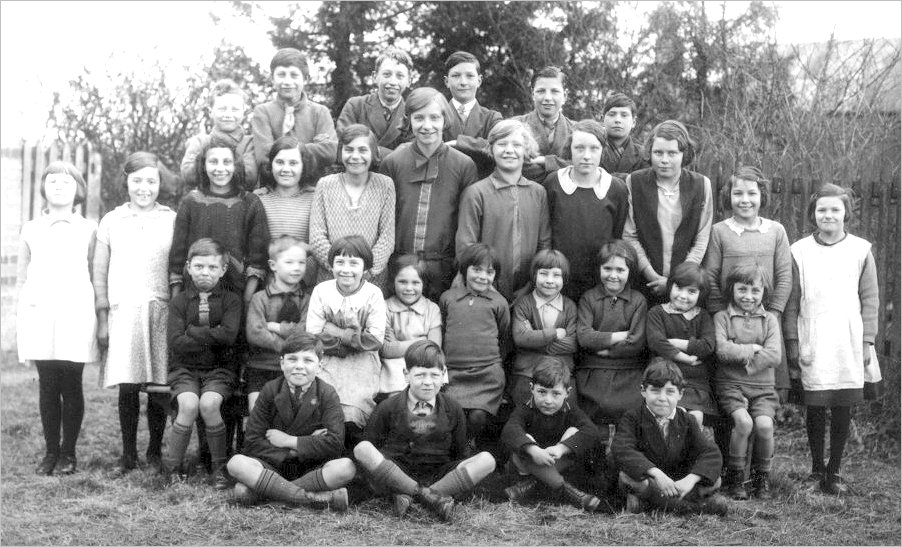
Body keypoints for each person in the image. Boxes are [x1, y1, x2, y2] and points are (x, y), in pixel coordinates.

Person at [783, 183, 879, 495]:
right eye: (822, 209)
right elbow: (793, 301)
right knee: (815, 405)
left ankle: (834, 470)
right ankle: (815, 469)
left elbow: (870, 299)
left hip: (847, 338)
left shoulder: (861, 250)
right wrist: (794, 343)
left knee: (841, 405)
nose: (828, 215)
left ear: (846, 214)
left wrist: (867, 342)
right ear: (813, 213)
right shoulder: (799, 251)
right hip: (814, 335)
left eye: (835, 209)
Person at [92, 152, 175, 475]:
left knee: (158, 386)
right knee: (128, 385)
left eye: (151, 181)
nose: (144, 188)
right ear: (126, 182)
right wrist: (102, 315)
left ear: (160, 183)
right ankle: (128, 454)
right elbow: (100, 272)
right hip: (123, 310)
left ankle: (154, 450)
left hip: (159, 309)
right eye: (137, 180)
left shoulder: (171, 218)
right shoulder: (112, 221)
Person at [353, 340, 497, 522]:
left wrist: (453, 476)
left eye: (434, 375)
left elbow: (459, 452)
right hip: (397, 472)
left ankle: (414, 495)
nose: (428, 382)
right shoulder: (388, 406)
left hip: (439, 475)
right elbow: (371, 444)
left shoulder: (453, 408)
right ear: (406, 374)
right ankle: (428, 497)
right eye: (420, 375)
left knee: (487, 460)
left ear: (444, 374)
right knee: (362, 448)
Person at [18, 161, 99, 476]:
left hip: (75, 311)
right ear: (43, 188)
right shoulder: (30, 228)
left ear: (78, 189)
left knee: (71, 382)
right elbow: (23, 276)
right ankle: (50, 452)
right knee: (47, 385)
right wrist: (26, 312)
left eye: (67, 181)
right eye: (52, 181)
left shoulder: (89, 229)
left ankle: (69, 453)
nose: (59, 186)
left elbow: (95, 271)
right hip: (41, 311)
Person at [226, 331, 356, 511]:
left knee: (346, 467)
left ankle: (268, 493)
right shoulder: (270, 390)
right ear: (282, 363)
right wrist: (295, 451)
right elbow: (252, 442)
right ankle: (312, 499)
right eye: (292, 359)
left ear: (319, 365)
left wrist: (289, 441)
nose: (299, 366)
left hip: (312, 470)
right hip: (272, 467)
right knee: (237, 463)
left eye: (308, 360)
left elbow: (334, 443)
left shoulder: (327, 393)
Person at [380, 87, 479, 302]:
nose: (427, 126)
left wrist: (462, 270)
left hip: (444, 269)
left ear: (445, 119)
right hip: (400, 267)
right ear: (409, 121)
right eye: (419, 118)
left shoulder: (463, 165)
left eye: (435, 118)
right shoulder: (393, 162)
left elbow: (467, 224)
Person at [704, 166, 792, 398]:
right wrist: (718, 314)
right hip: (729, 318)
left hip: (764, 318)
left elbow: (784, 277)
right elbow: (711, 275)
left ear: (762, 195)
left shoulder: (776, 231)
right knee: (729, 385)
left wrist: (773, 313)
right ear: (728, 196)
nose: (745, 200)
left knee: (764, 390)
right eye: (738, 194)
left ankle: (761, 431)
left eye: (752, 193)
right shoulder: (719, 232)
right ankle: (729, 433)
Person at [162, 238, 242, 489]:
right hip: (185, 369)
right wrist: (212, 335)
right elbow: (176, 341)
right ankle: (172, 469)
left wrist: (193, 332)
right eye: (198, 266)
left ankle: (219, 468)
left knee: (209, 403)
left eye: (211, 267)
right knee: (188, 404)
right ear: (187, 267)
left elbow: (229, 336)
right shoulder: (179, 302)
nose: (205, 272)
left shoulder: (231, 301)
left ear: (223, 270)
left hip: (219, 369)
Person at [611, 360, 728, 516]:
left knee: (715, 480)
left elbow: (710, 452)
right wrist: (656, 474)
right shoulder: (632, 417)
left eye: (670, 392)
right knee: (628, 477)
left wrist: (690, 480)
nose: (662, 398)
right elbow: (622, 449)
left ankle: (651, 505)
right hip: (652, 481)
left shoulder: (687, 420)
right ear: (643, 391)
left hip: (678, 483)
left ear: (680, 394)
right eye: (655, 391)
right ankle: (692, 507)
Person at [456, 119, 551, 301]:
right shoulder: (476, 193)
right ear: (491, 149)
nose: (509, 150)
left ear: (527, 150)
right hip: (484, 290)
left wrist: (531, 285)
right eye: (502, 144)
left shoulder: (538, 193)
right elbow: (465, 247)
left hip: (527, 292)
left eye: (517, 145)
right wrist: (485, 284)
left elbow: (544, 244)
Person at [306, 236, 386, 447]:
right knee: (324, 407)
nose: (346, 269)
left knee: (353, 412)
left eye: (354, 263)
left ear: (366, 268)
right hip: (328, 361)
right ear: (331, 266)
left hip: (362, 364)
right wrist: (351, 338)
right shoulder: (322, 291)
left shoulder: (373, 294)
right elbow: (313, 335)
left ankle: (352, 461)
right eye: (340, 262)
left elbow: (375, 339)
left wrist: (337, 332)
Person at [168, 138, 269, 306]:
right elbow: (177, 257)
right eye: (213, 161)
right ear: (203, 165)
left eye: (227, 162)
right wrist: (176, 301)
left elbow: (257, 258)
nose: (220, 168)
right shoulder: (190, 202)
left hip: (237, 296)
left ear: (235, 165)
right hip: (193, 297)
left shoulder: (250, 202)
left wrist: (246, 301)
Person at [622, 120, 713, 305]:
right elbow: (630, 236)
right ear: (650, 152)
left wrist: (675, 281)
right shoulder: (635, 182)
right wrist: (650, 274)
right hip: (645, 283)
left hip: (686, 288)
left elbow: (701, 238)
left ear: (684, 154)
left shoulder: (701, 185)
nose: (664, 160)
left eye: (672, 153)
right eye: (658, 153)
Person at [713, 264, 782, 500]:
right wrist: (752, 348)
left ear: (764, 291)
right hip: (730, 384)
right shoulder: (722, 317)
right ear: (731, 289)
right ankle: (736, 478)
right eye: (742, 289)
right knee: (743, 423)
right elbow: (722, 350)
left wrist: (741, 358)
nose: (748, 296)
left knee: (764, 425)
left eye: (755, 290)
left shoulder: (770, 320)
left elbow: (774, 355)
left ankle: (761, 478)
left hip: (763, 388)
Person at [543, 119, 629, 301]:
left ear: (603, 150)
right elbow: (545, 231)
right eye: (579, 148)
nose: (586, 156)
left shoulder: (616, 188)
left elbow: (618, 237)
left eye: (594, 148)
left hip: (600, 283)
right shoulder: (554, 182)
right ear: (570, 149)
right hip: (559, 280)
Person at [501, 358, 602, 511]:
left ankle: (532, 485)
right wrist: (533, 450)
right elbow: (510, 430)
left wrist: (560, 449)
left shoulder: (570, 410)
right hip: (528, 466)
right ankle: (568, 491)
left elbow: (591, 431)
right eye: (542, 392)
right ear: (532, 388)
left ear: (567, 393)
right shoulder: (525, 408)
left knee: (574, 433)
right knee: (525, 439)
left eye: (555, 394)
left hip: (557, 463)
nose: (548, 400)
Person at [440, 244, 511, 452]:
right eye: (476, 270)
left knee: (478, 416)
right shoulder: (448, 298)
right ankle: (455, 448)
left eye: (489, 272)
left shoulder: (499, 303)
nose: (482, 277)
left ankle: (468, 444)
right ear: (464, 270)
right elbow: (444, 330)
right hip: (454, 372)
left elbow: (504, 337)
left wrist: (492, 364)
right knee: (455, 413)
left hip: (487, 374)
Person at [575, 240, 648, 440]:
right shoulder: (589, 298)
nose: (613, 275)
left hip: (628, 372)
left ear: (630, 271)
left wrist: (606, 349)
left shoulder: (638, 300)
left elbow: (636, 343)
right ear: (599, 269)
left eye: (620, 270)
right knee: (596, 406)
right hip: (594, 370)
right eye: (607, 268)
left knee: (629, 408)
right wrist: (620, 336)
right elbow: (584, 337)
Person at [309, 124, 395, 289]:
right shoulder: (325, 185)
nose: (355, 156)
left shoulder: (385, 185)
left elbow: (387, 238)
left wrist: (365, 271)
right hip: (331, 279)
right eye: (349, 150)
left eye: (363, 150)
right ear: (341, 152)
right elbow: (317, 237)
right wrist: (340, 269)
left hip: (371, 281)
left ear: (373, 153)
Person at [645, 262, 716, 428]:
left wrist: (676, 342)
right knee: (676, 415)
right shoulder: (657, 313)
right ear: (670, 287)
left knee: (696, 417)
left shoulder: (703, 316)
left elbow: (707, 346)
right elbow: (657, 342)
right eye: (679, 288)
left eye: (691, 291)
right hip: (665, 378)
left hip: (695, 383)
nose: (683, 296)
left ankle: (690, 453)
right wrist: (687, 358)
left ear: (700, 294)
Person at [245, 235, 311, 415]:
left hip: (294, 368)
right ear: (273, 265)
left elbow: (306, 331)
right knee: (258, 412)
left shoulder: (306, 300)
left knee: (290, 414)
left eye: (301, 263)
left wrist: (276, 327)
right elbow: (255, 332)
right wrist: (287, 346)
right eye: (289, 262)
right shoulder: (260, 298)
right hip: (262, 366)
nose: (297, 268)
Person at [509, 250, 578, 407]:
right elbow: (521, 338)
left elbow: (572, 343)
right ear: (534, 276)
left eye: (556, 275)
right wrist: (555, 333)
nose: (549, 280)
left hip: (562, 371)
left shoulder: (569, 306)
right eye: (544, 274)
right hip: (528, 371)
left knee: (569, 403)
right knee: (523, 398)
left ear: (564, 279)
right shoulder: (524, 304)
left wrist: (535, 339)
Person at [251, 47, 337, 170]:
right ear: (272, 79)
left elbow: (330, 152)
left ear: (305, 79)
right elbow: (263, 155)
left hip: (313, 185)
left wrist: (296, 149)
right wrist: (312, 149)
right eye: (281, 75)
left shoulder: (319, 112)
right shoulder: (263, 112)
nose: (287, 81)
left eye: (294, 75)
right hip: (275, 185)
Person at [255, 135, 320, 286]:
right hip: (268, 282)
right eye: (279, 162)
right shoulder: (258, 198)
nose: (286, 169)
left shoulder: (316, 196)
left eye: (293, 163)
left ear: (304, 166)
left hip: (306, 281)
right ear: (271, 165)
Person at [380, 254, 443, 398]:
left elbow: (433, 349)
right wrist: (423, 342)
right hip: (393, 368)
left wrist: (398, 345)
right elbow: (386, 350)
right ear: (393, 282)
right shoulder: (385, 307)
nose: (409, 288)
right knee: (396, 398)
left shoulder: (432, 309)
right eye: (402, 282)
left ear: (424, 284)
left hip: (426, 365)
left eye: (415, 283)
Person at [180, 79, 257, 190]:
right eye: (222, 109)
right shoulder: (200, 141)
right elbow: (189, 175)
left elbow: (249, 177)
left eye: (235, 109)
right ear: (211, 111)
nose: (228, 115)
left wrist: (208, 165)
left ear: (243, 112)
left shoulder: (249, 142)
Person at [337, 46, 413, 157]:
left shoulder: (412, 114)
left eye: (400, 76)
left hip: (396, 174)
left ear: (409, 81)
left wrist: (370, 151)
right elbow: (343, 146)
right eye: (386, 74)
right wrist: (393, 156)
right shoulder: (355, 106)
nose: (393, 82)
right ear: (374, 76)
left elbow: (410, 156)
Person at [441, 50, 502, 177]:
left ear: (479, 81)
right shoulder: (436, 115)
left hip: (481, 182)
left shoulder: (491, 118)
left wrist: (458, 142)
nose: (463, 82)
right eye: (456, 76)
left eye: (470, 76)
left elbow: (500, 145)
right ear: (447, 81)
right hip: (444, 180)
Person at [513, 66, 573, 182]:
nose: (547, 98)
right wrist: (564, 168)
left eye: (555, 91)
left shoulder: (576, 130)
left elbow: (585, 164)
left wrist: (547, 161)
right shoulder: (515, 125)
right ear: (532, 94)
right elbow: (510, 162)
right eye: (541, 91)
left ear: (565, 96)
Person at [598, 92, 648, 177]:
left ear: (634, 122)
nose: (618, 120)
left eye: (624, 115)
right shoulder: (591, 149)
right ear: (603, 119)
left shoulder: (643, 156)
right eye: (612, 114)